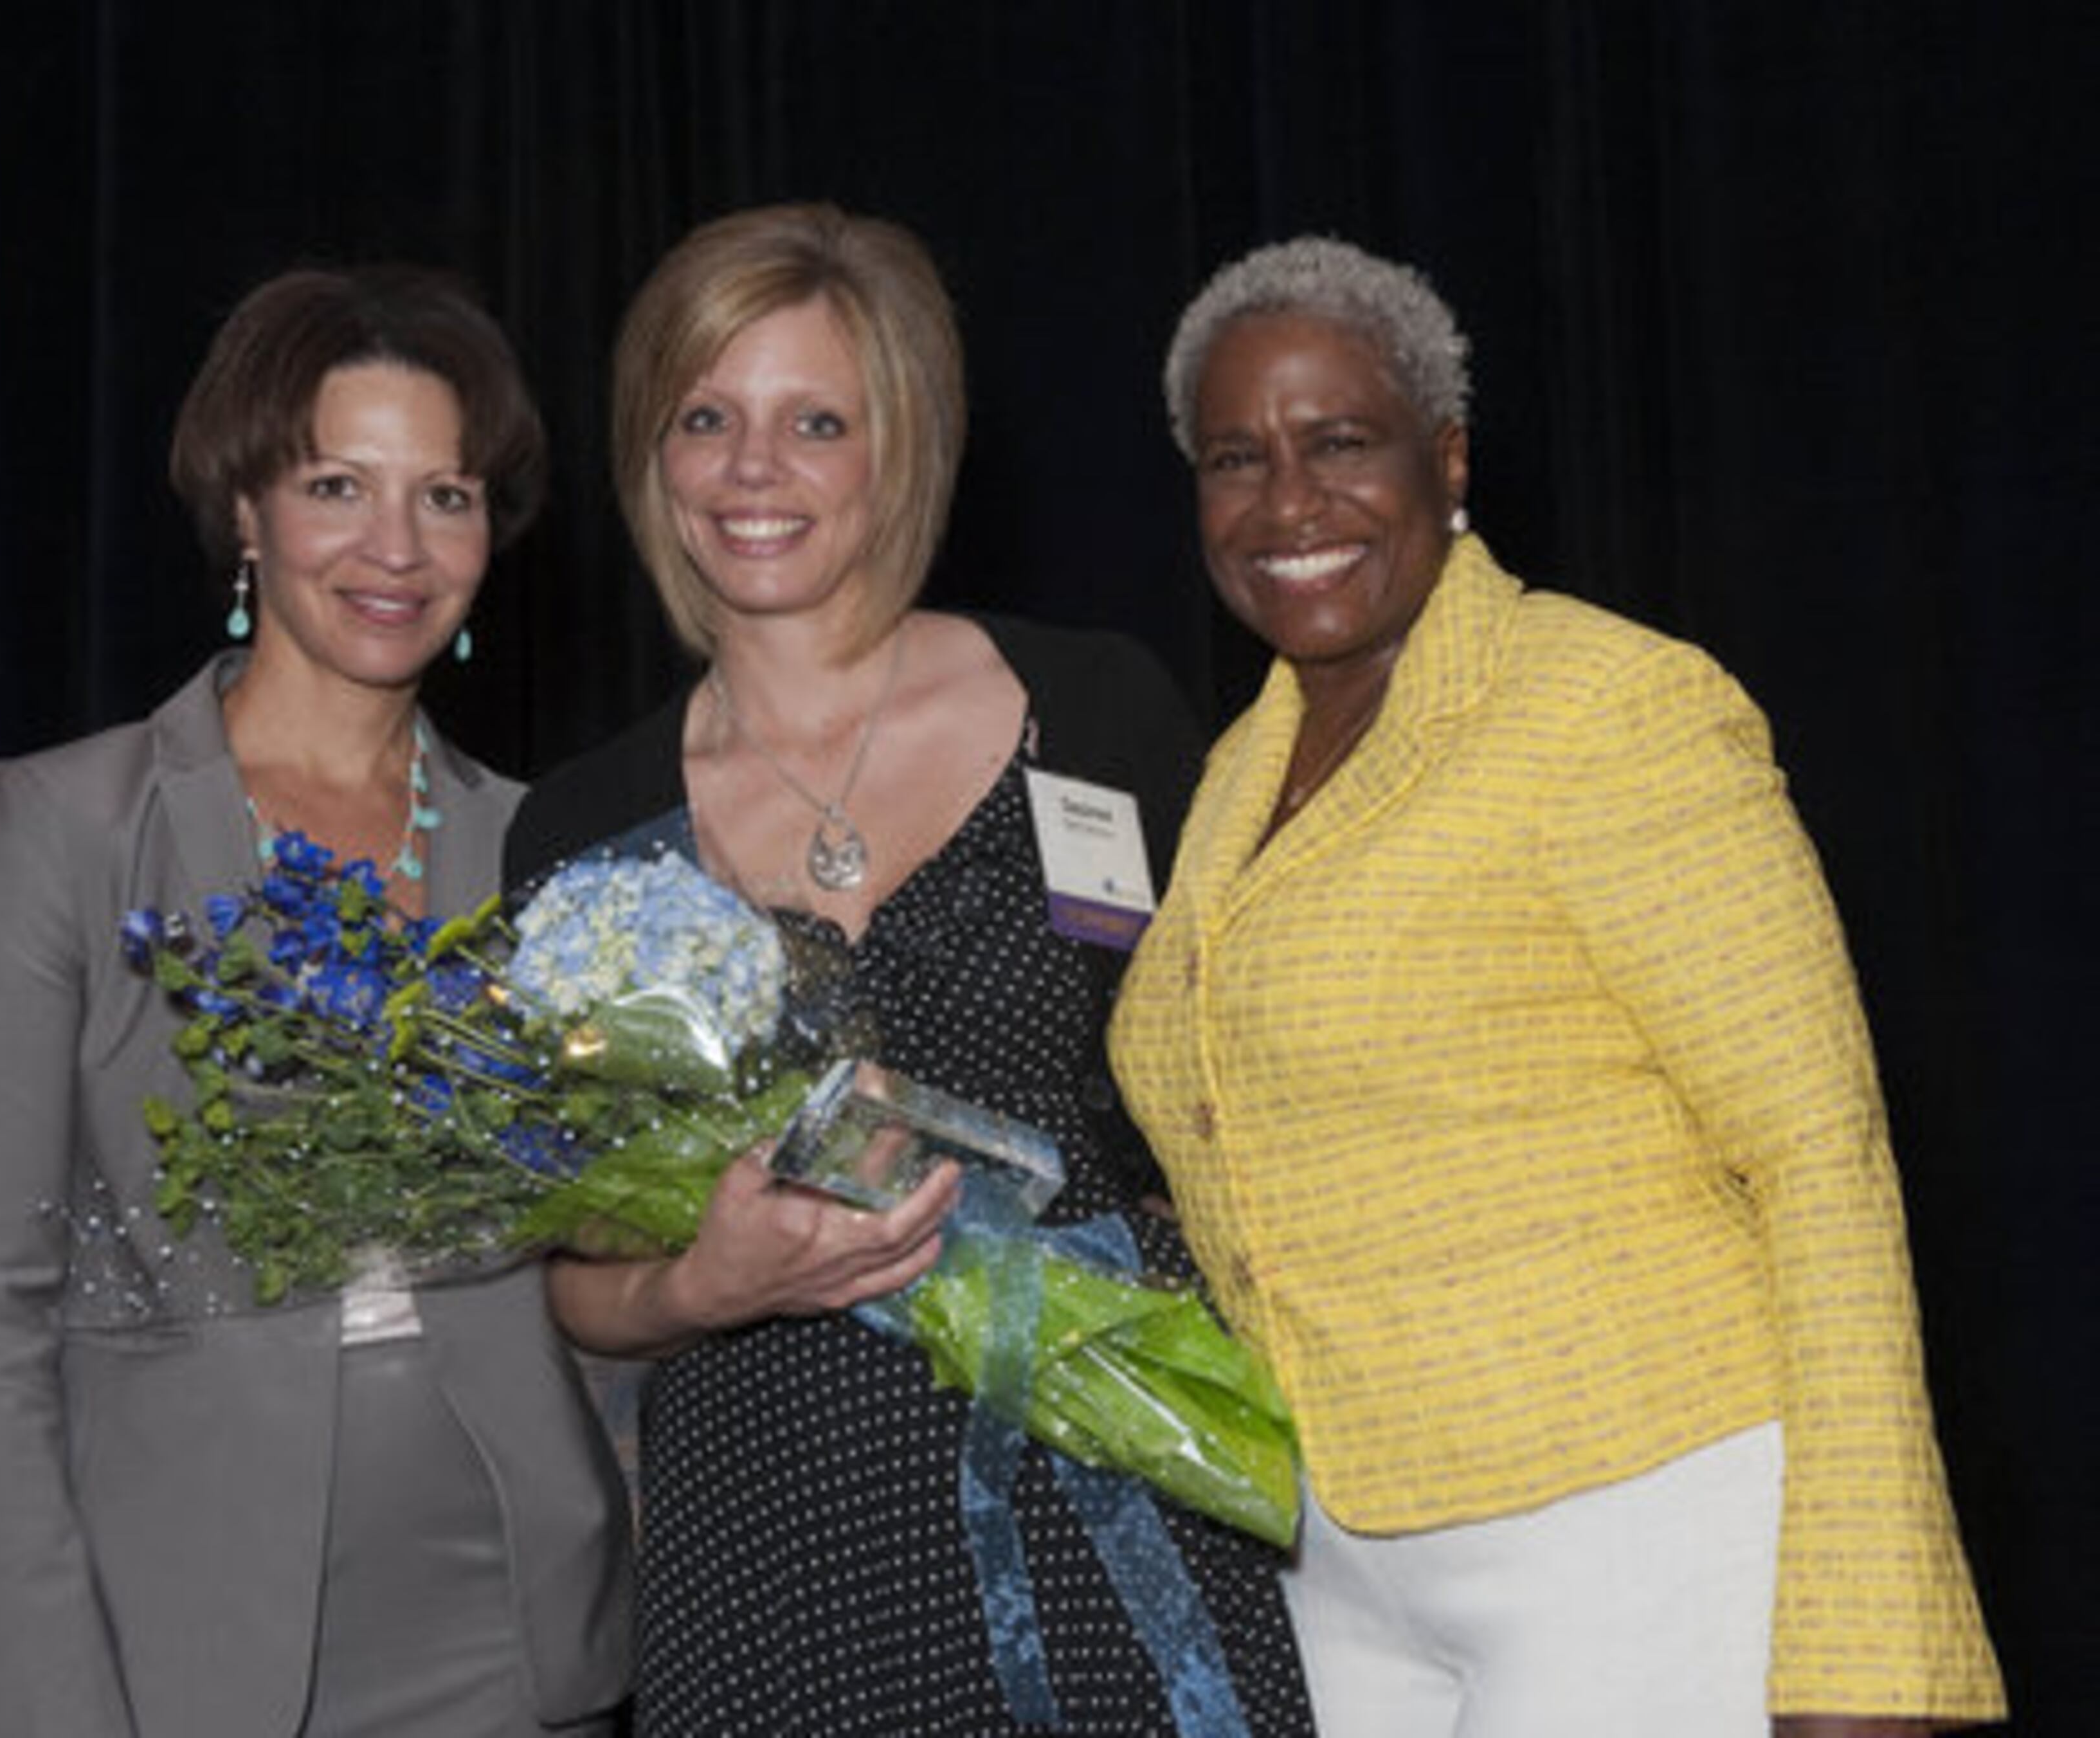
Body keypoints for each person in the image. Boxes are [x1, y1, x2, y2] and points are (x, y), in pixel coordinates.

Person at [1107, 235, 2007, 1738]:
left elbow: (1820, 1160)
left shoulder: (1610, 707)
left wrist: (1862, 1647)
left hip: (1638, 1515)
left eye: (1341, 444)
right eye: (1234, 458)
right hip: (1338, 1552)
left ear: (1446, 459)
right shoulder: (1230, 779)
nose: (1287, 504)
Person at [503, 203, 1318, 1737]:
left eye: (816, 421)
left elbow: (1248, 1086)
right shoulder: (582, 828)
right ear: (651, 452)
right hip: (777, 1536)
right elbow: (570, 1285)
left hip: (1104, 1471)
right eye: (707, 418)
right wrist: (701, 1280)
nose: (755, 470)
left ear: (903, 446)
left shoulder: (1098, 711)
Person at [0, 266, 633, 1737]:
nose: (396, 546)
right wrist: (43, 1707)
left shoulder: (541, 847)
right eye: (336, 484)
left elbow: (609, 1251)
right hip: (172, 1629)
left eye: (447, 495)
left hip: (509, 1618)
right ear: (245, 511)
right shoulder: (65, 830)